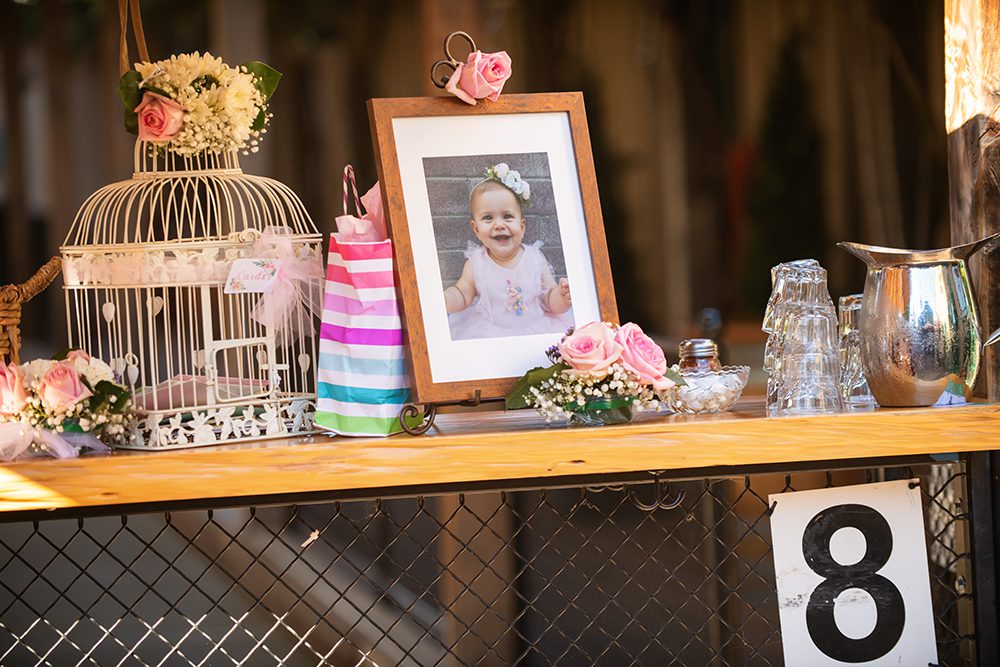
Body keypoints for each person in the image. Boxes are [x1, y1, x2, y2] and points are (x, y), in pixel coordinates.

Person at [444, 163, 574, 340]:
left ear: (521, 226)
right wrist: (445, 299)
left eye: (507, 216)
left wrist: (561, 297)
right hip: (491, 334)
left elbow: (549, 299)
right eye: (488, 218)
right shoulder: (476, 263)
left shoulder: (534, 258)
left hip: (537, 330)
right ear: (476, 229)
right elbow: (462, 294)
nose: (499, 225)